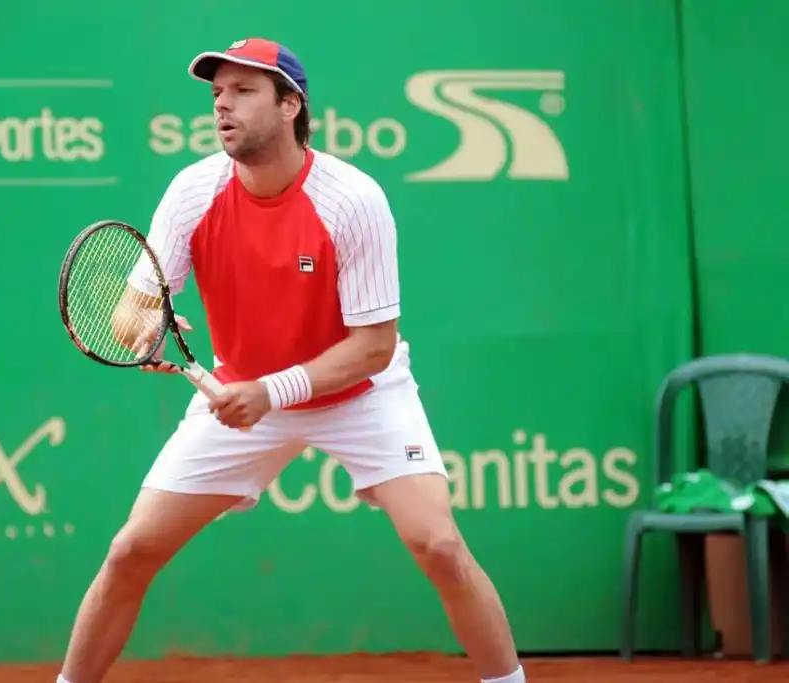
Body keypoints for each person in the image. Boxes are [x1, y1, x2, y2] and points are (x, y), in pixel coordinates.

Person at [56, 37, 525, 683]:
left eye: (243, 91)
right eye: (217, 93)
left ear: (289, 105)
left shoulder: (351, 199)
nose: (223, 104)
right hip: (243, 389)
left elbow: (373, 347)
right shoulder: (193, 192)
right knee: (131, 548)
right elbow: (128, 313)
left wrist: (271, 391)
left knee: (440, 545)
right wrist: (149, 322)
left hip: (362, 395)